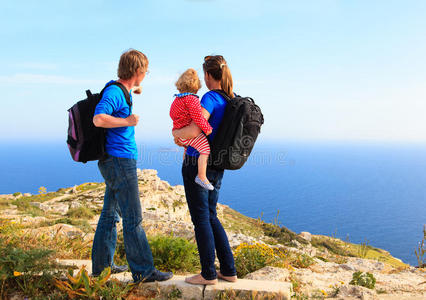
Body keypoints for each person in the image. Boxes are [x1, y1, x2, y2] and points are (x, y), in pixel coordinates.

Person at [92, 49, 173, 283]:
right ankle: (144, 271)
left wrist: (134, 88)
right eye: (145, 71)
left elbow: (127, 90)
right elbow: (98, 118)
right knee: (133, 218)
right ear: (137, 71)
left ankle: (102, 267)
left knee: (110, 214)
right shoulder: (115, 93)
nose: (146, 75)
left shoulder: (120, 88)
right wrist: (127, 121)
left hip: (114, 160)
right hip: (119, 161)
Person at [172, 55, 237, 285]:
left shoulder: (209, 98)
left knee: (200, 219)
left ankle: (208, 273)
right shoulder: (230, 99)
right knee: (210, 215)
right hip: (217, 164)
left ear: (208, 75)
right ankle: (228, 270)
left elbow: (195, 128)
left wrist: (176, 134)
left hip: (196, 164)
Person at [170, 68, 214, 190]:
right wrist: (207, 129)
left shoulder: (177, 99)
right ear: (196, 85)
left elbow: (172, 115)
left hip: (180, 134)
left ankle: (186, 163)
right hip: (188, 134)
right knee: (205, 150)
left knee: (189, 147)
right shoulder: (192, 99)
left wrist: (177, 132)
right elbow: (198, 118)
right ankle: (201, 176)